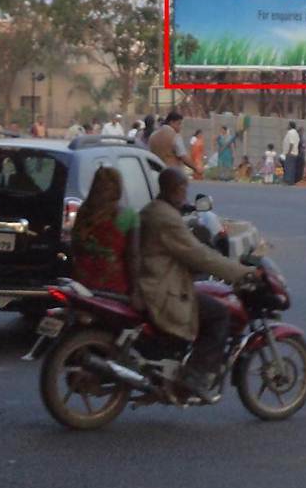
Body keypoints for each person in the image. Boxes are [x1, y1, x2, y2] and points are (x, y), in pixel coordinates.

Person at [137, 166, 255, 398]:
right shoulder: (166, 217)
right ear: (174, 189)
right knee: (220, 313)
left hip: (155, 280)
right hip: (162, 289)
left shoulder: (154, 210)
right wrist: (241, 273)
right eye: (183, 189)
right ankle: (195, 376)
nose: (185, 194)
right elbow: (199, 255)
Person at [70, 166, 140, 300]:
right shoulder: (129, 215)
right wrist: (136, 290)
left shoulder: (84, 211)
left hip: (81, 284)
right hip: (113, 286)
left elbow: (74, 246)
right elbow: (133, 255)